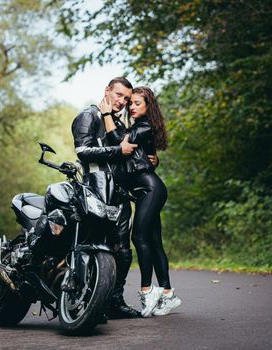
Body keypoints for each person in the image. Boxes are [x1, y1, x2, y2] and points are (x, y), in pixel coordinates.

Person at [99, 86, 181, 317]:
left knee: (139, 237)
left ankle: (147, 290)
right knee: (154, 241)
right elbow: (148, 155)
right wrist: (153, 160)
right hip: (149, 189)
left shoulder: (143, 126)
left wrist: (106, 115)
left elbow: (118, 144)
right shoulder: (139, 127)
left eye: (137, 103)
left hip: (150, 190)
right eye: (130, 103)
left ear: (148, 107)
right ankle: (167, 295)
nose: (131, 107)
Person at [71, 77, 141, 319]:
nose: (122, 102)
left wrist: (151, 159)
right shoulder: (88, 116)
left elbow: (132, 152)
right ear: (107, 91)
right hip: (95, 192)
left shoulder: (118, 125)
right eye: (119, 95)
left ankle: (114, 302)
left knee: (122, 251)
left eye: (126, 99)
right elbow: (82, 151)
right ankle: (90, 301)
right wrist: (118, 151)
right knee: (94, 246)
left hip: (120, 196)